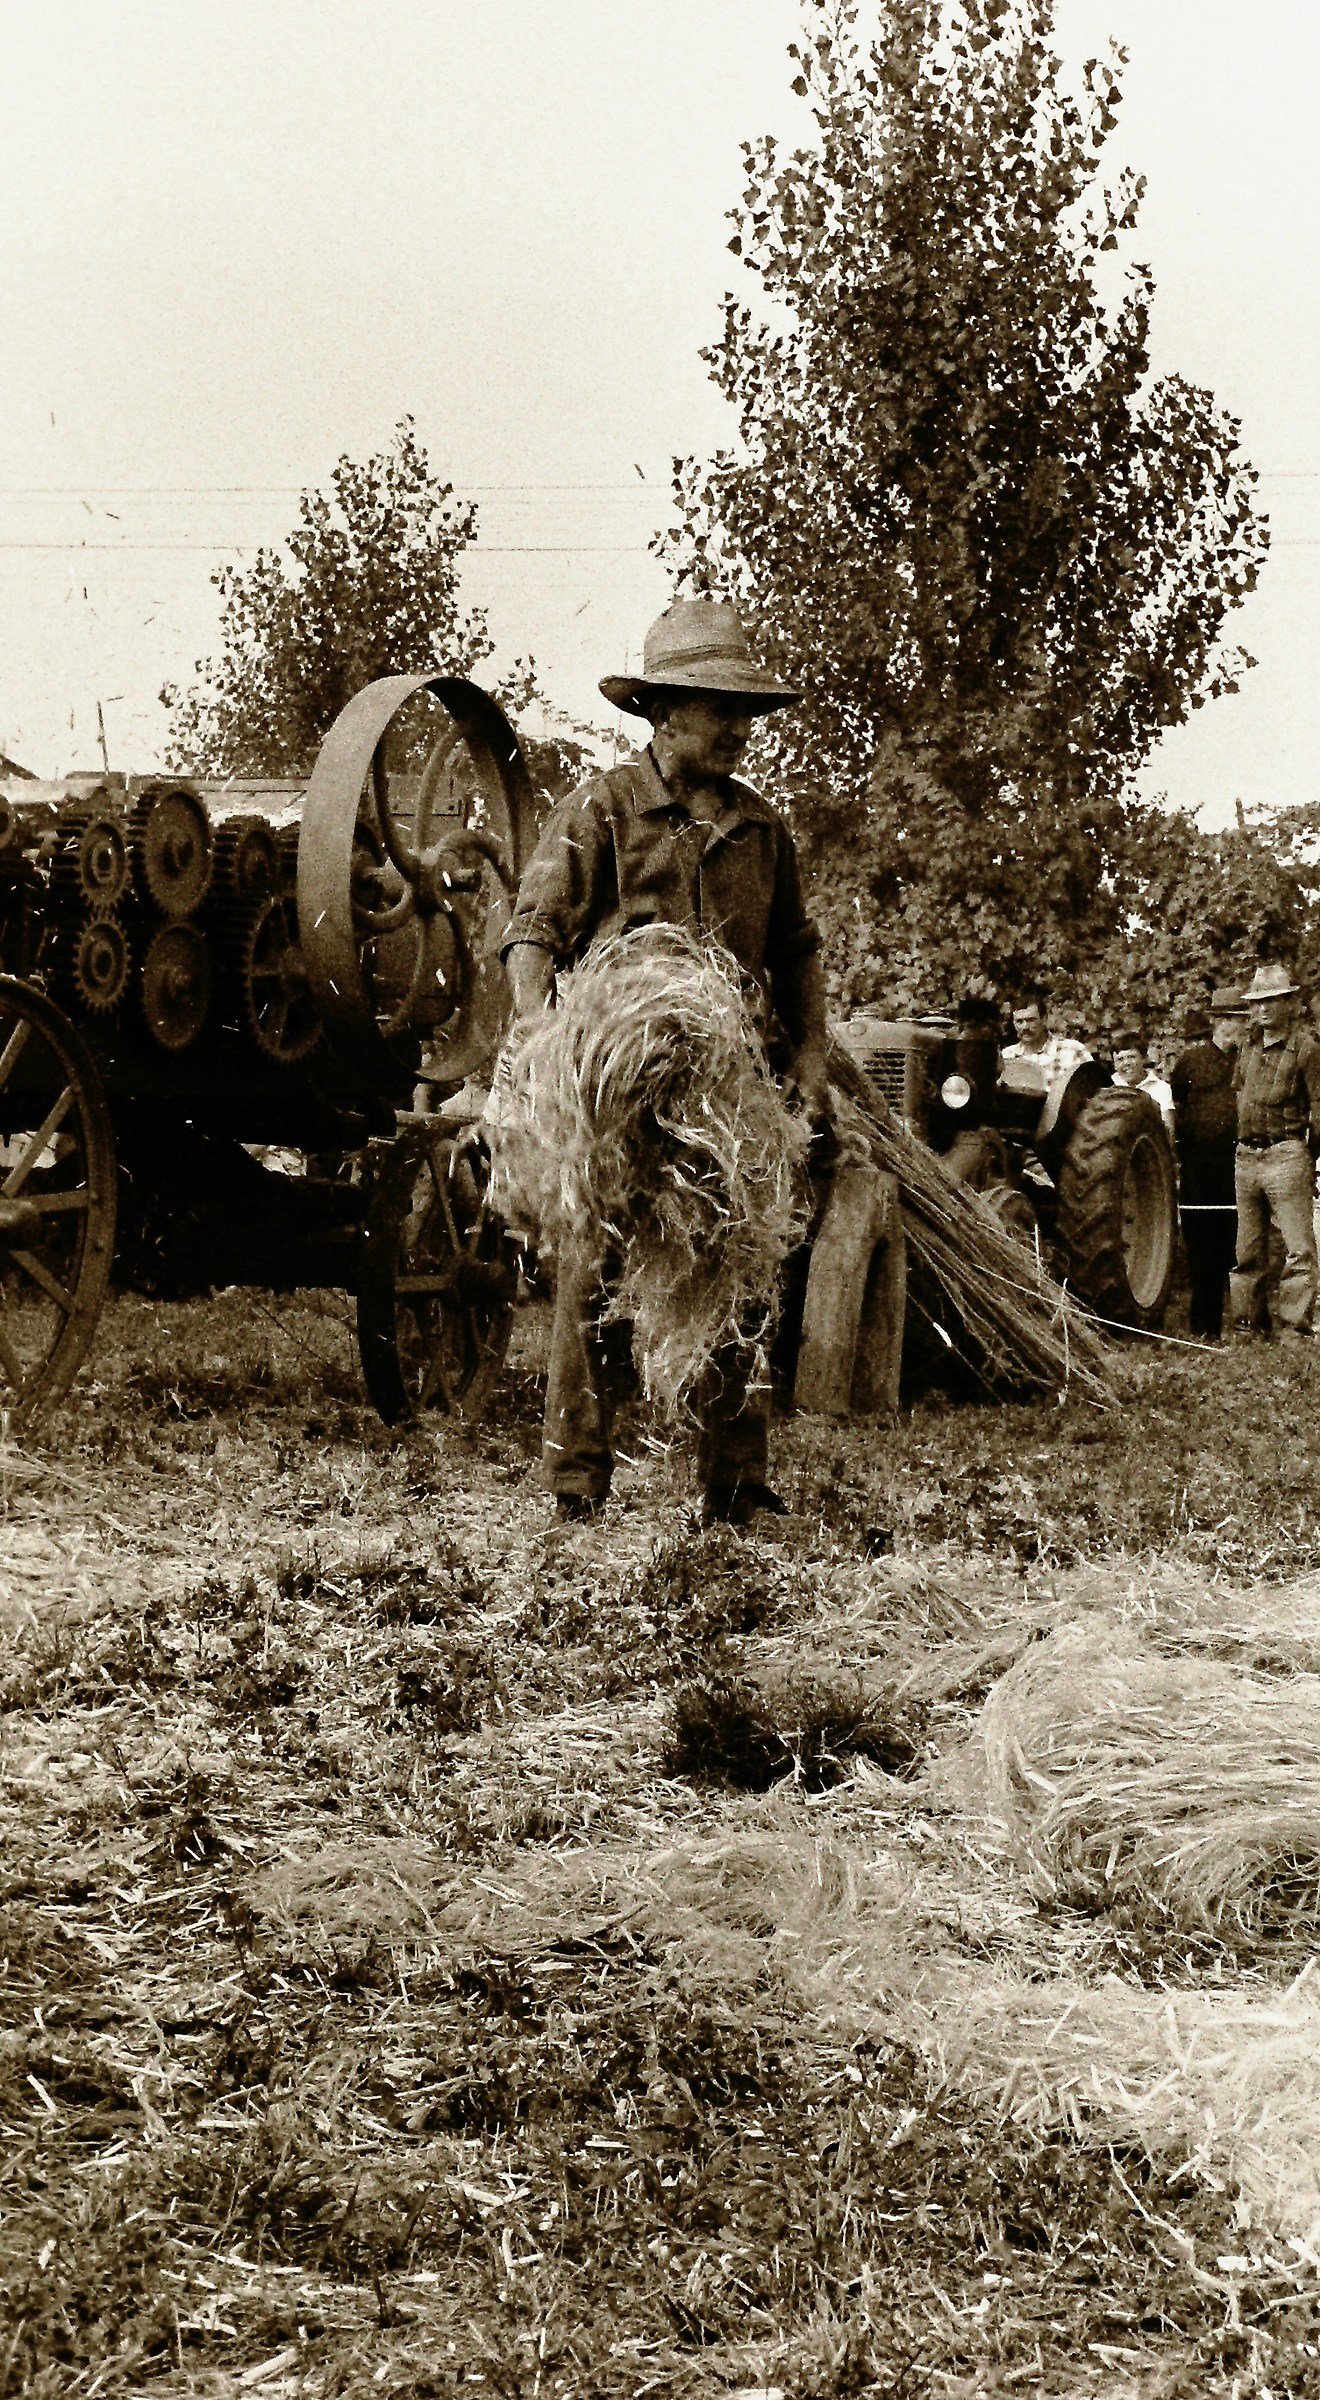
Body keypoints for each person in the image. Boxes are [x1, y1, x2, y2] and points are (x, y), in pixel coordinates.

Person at [501, 597, 829, 1526]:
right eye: (717, 708)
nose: (737, 728)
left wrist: (807, 1053)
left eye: (745, 711)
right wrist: (543, 1036)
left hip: (729, 1098)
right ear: (662, 711)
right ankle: (575, 1485)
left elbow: (797, 949)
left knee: (734, 1268)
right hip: (619, 1097)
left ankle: (737, 1487)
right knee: (593, 1274)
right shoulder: (601, 811)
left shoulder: (763, 831)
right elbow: (531, 935)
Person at [1229, 962, 1320, 1341]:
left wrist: (1307, 1157)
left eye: (1272, 1001)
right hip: (1246, 1158)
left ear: (1288, 1003)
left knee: (1298, 1248)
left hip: (1287, 1154)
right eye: (1257, 1003)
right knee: (1246, 1250)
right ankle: (1248, 1327)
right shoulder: (1248, 1047)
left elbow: (1319, 1105)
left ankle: (1294, 1330)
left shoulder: (1307, 1048)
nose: (1263, 1010)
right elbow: (1238, 1093)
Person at [1169, 1006, 1237, 1341]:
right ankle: (1202, 1320)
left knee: (1237, 1239)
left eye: (1240, 1018)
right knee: (1200, 1239)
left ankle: (1242, 1318)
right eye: (1228, 1019)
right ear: (1217, 1023)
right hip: (1199, 1165)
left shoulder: (1251, 1060)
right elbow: (1179, 1104)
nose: (1234, 1026)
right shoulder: (1190, 1063)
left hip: (1238, 1162)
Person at [1001, 999, 1091, 1082]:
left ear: (1044, 1019)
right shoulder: (1007, 1057)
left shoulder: (1073, 1051)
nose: (1025, 1027)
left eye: (1031, 1020)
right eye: (1019, 1022)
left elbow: (1094, 1091)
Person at [1111, 1032, 1175, 1135]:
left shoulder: (1161, 1088)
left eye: (1132, 1057)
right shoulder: (1108, 1087)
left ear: (1143, 1058)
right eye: (1120, 1059)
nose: (1126, 1063)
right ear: (1114, 1065)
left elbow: (1168, 1130)